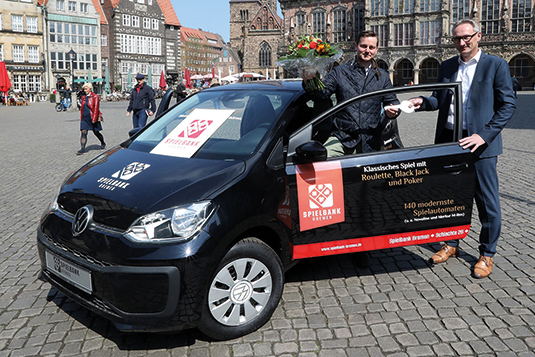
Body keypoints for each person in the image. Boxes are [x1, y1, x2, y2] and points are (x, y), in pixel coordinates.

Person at [408, 19, 516, 278]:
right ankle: (451, 244)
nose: (462, 42)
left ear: (478, 36)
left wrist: (484, 135)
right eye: (457, 38)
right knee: (451, 198)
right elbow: (438, 99)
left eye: (466, 37)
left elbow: (508, 106)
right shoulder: (446, 66)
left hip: (480, 144)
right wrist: (421, 101)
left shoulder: (495, 65)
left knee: (487, 203)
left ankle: (487, 254)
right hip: (449, 141)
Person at [303, 30, 400, 156]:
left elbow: (392, 101)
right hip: (343, 137)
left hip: (371, 140)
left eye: (371, 47)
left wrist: (393, 112)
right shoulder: (339, 72)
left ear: (376, 49)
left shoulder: (383, 76)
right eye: (363, 46)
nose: (367, 50)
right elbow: (322, 94)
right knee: (323, 159)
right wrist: (308, 82)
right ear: (356, 46)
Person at [77, 83, 105, 155]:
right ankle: (82, 149)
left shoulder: (95, 97)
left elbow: (96, 108)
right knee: (83, 132)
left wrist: (95, 118)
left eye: (86, 89)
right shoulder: (83, 97)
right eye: (84, 89)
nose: (85, 90)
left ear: (90, 89)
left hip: (92, 117)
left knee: (96, 132)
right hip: (84, 117)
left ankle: (102, 142)